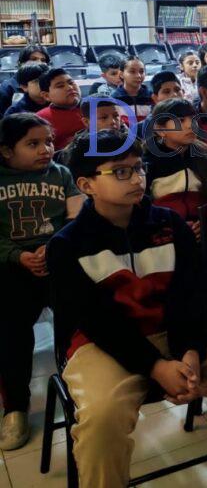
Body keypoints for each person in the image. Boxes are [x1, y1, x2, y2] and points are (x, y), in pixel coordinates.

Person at [47, 130, 207, 487]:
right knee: (102, 416)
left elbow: (194, 294)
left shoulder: (169, 224)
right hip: (104, 344)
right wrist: (155, 366)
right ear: (86, 185)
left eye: (139, 168)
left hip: (175, 330)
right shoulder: (67, 245)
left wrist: (190, 351)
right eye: (121, 172)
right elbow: (95, 321)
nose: (137, 179)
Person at [0, 114, 85, 450]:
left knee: (76, 320)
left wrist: (53, 247)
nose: (45, 149)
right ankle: (15, 407)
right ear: (6, 150)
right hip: (11, 269)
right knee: (12, 335)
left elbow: (76, 218)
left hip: (56, 260)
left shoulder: (62, 174)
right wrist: (17, 255)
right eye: (33, 144)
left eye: (48, 141)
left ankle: (81, 386)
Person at [144, 98, 207, 233]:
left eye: (192, 119)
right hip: (165, 233)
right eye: (181, 121)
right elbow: (143, 208)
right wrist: (175, 226)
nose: (190, 125)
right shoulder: (148, 163)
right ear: (161, 130)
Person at [37, 67, 84, 149]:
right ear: (46, 95)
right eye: (60, 86)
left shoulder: (96, 107)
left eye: (71, 82)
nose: (70, 87)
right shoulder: (40, 119)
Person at [0, 45, 50, 113]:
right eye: (33, 59)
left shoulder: (51, 83)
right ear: (21, 63)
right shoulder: (7, 87)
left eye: (43, 60)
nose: (39, 63)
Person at [111, 56, 152, 123]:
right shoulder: (113, 100)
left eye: (141, 71)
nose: (138, 75)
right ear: (121, 74)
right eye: (132, 72)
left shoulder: (152, 97)